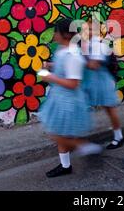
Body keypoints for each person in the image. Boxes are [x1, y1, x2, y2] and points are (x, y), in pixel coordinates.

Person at [38, 18, 102, 178]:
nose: (54, 34)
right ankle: (65, 165)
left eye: (56, 31)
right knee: (60, 134)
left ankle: (85, 147)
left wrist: (50, 77)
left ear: (65, 34)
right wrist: (51, 66)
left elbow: (73, 83)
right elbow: (64, 67)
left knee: (56, 134)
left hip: (68, 101)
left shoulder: (73, 55)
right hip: (60, 99)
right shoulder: (64, 49)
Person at [81, 20, 124, 149]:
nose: (87, 31)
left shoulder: (97, 45)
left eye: (90, 29)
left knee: (110, 110)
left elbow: (94, 65)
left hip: (102, 82)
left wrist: (78, 60)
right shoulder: (87, 44)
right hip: (93, 82)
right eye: (85, 29)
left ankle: (119, 137)